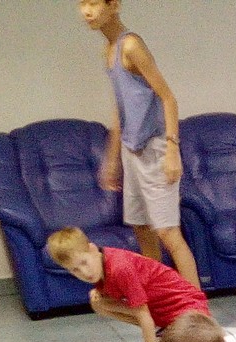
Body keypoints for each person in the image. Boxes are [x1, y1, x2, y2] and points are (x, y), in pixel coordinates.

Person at [77, 0, 200, 289]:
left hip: (155, 148)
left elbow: (168, 98)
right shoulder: (109, 50)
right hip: (130, 151)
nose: (86, 11)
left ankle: (198, 308)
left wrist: (172, 150)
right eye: (82, 3)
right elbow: (121, 109)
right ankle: (159, 300)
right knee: (142, 229)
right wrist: (111, 159)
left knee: (168, 233)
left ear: (114, 5)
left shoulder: (131, 45)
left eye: (93, 2)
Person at [47, 227, 208, 342]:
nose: (84, 272)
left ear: (93, 249)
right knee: (99, 303)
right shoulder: (101, 263)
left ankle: (165, 338)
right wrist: (99, 291)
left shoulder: (120, 267)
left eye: (84, 262)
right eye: (75, 270)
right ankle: (165, 334)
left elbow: (143, 315)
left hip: (190, 310)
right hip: (166, 311)